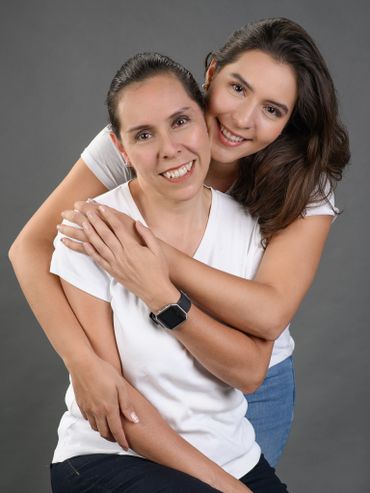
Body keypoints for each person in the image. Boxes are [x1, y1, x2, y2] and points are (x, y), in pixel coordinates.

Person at [8, 17, 350, 468]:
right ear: (211, 74)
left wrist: (148, 258)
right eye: (238, 88)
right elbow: (30, 248)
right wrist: (84, 364)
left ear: (289, 121)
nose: (242, 119)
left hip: (248, 380)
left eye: (272, 109)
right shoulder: (147, 136)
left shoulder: (305, 181)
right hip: (142, 371)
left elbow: (268, 313)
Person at [50, 52, 288, 492]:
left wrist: (161, 293)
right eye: (144, 134)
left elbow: (251, 372)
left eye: (180, 122)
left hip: (230, 456)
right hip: (113, 455)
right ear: (120, 149)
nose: (169, 149)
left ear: (205, 122)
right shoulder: (93, 229)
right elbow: (118, 408)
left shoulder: (250, 227)